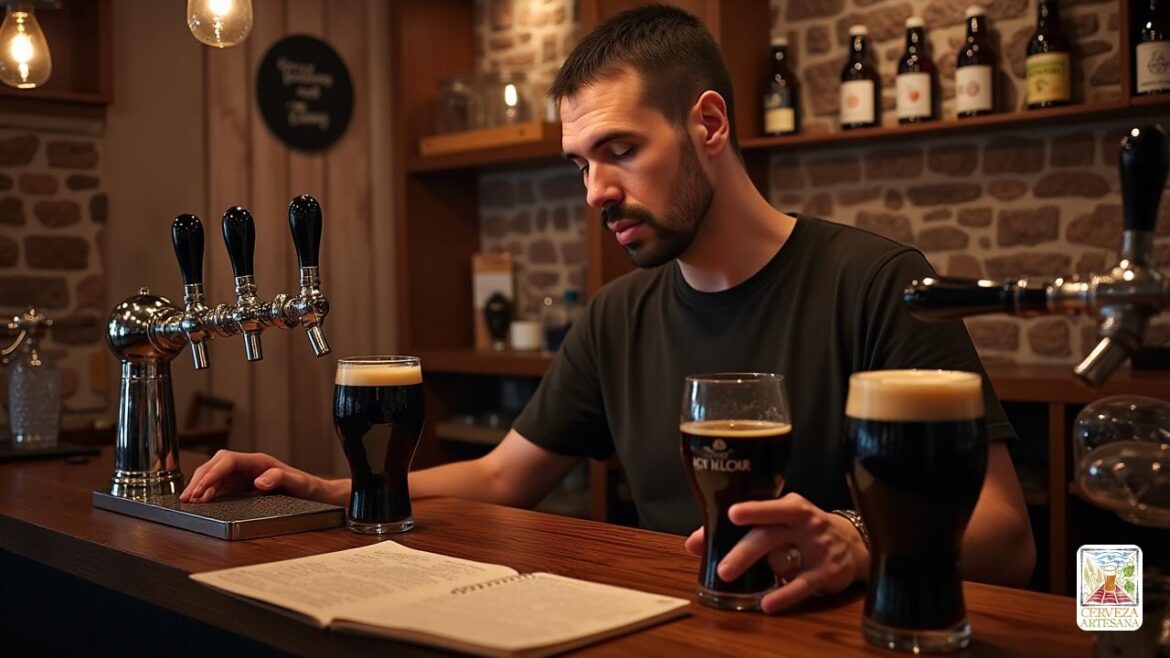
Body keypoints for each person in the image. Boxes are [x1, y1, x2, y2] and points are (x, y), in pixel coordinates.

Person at [181, 4, 1035, 613]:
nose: (596, 191)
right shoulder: (617, 315)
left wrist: (858, 538)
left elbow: (1008, 534)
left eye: (619, 151)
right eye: (580, 164)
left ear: (708, 124)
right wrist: (336, 486)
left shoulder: (876, 281)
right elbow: (501, 475)